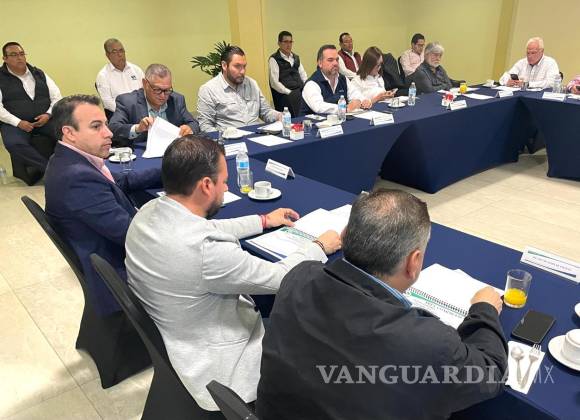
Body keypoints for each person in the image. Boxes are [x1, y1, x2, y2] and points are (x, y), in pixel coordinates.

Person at [125, 135, 341, 411]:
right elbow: (281, 278)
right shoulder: (207, 250)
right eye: (224, 182)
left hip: (180, 335)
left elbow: (208, 229)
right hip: (220, 365)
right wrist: (319, 246)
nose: (226, 187)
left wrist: (263, 220)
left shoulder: (149, 210)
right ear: (206, 185)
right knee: (320, 333)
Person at [257, 189, 508, 420]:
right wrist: (484, 310)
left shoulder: (300, 276)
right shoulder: (429, 342)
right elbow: (491, 373)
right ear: (414, 262)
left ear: (344, 235)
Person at [44, 94, 161, 315]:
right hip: (119, 269)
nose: (109, 133)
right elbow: (133, 236)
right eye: (96, 126)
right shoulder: (76, 178)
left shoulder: (68, 159)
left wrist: (171, 170)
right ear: (69, 133)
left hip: (105, 251)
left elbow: (121, 181)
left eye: (105, 125)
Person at [0, 42, 61, 177]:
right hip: (15, 123)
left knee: (67, 133)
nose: (19, 58)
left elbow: (57, 97)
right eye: (14, 55)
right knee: (13, 143)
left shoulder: (39, 73)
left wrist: (48, 114)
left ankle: (71, 166)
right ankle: (50, 171)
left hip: (45, 119)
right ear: (5, 59)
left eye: (22, 54)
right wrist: (18, 122)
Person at [108, 63, 199, 144]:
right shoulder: (127, 102)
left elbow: (194, 123)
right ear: (145, 84)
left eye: (167, 90)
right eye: (157, 90)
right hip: (142, 153)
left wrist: (189, 129)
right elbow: (113, 128)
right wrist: (138, 128)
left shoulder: (176, 99)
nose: (163, 96)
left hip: (172, 152)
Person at [197, 45, 280, 132]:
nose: (242, 71)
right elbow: (205, 126)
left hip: (257, 135)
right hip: (229, 138)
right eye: (237, 66)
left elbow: (265, 112)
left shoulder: (252, 84)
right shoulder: (208, 89)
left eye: (244, 66)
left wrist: (279, 116)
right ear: (224, 65)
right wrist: (221, 138)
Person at [301, 44, 368, 115]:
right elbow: (318, 107)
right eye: (330, 60)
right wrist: (344, 108)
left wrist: (364, 101)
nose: (335, 63)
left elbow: (355, 95)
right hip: (312, 121)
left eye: (337, 60)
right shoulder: (311, 83)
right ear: (320, 63)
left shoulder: (343, 79)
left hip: (339, 120)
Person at [95, 38, 144, 116]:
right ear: (107, 55)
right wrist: (127, 112)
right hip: (120, 115)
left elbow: (145, 92)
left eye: (121, 50)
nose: (120, 54)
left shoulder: (136, 70)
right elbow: (107, 102)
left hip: (141, 111)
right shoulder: (103, 76)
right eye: (115, 52)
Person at [268, 31, 308, 117]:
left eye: (290, 42)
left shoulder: (296, 58)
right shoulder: (274, 59)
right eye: (285, 42)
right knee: (294, 100)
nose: (288, 45)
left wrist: (307, 87)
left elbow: (303, 74)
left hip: (299, 90)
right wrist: (288, 92)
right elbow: (274, 83)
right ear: (279, 43)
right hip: (285, 94)